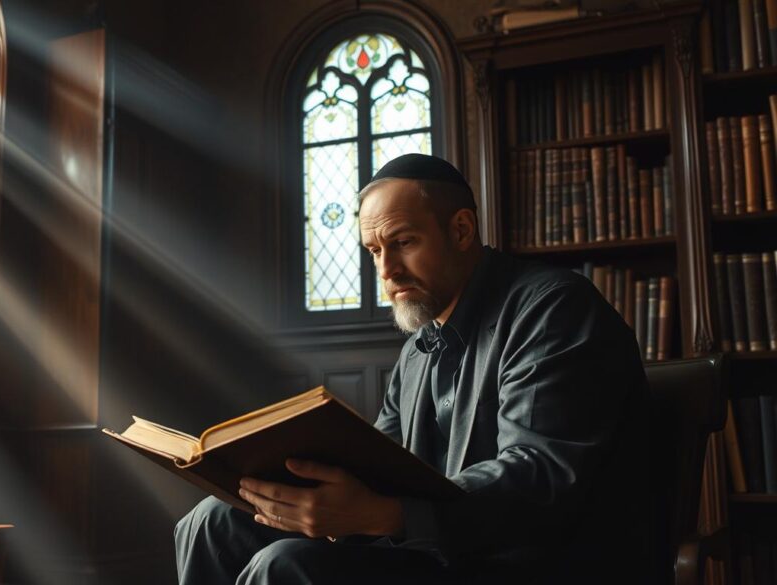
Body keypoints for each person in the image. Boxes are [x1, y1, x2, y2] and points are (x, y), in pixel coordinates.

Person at [174, 154, 650, 584]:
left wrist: (386, 515)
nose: (386, 270)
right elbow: (378, 461)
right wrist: (294, 485)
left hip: (525, 563)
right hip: (438, 552)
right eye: (375, 251)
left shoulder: (552, 309)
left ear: (462, 230)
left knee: (284, 566)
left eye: (402, 242)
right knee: (214, 522)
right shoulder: (419, 347)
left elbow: (539, 476)